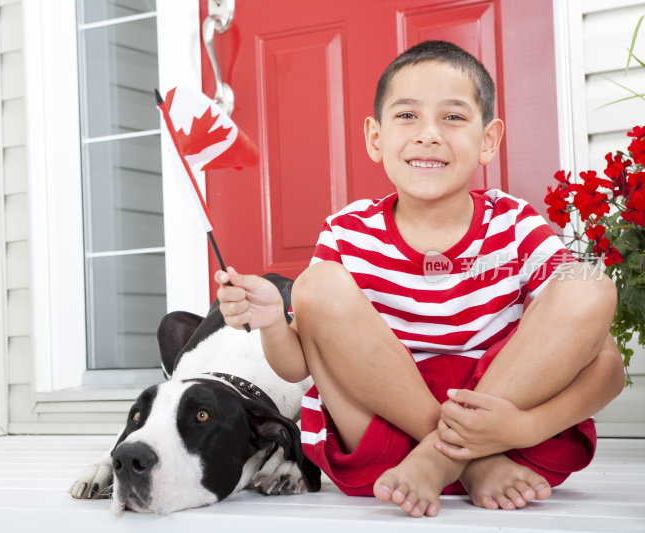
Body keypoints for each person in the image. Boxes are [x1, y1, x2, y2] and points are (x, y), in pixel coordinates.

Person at [214, 40, 625, 518]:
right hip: (387, 437)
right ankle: (471, 461)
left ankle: (442, 455)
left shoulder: (513, 225)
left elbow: (608, 368)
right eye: (407, 116)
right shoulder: (347, 232)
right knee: (316, 284)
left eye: (453, 117)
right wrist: (271, 323)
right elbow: (300, 366)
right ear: (375, 136)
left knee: (589, 281)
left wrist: (520, 429)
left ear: (488, 139)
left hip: (508, 433)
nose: (428, 134)